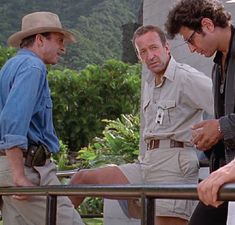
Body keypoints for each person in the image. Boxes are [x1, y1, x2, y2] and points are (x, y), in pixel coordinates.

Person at [69, 25, 213, 225]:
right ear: (139, 57)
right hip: (146, 163)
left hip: (175, 165)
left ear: (167, 47)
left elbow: (225, 107)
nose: (150, 56)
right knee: (81, 180)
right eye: (143, 52)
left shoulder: (186, 77)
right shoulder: (149, 82)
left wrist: (217, 130)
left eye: (154, 48)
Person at [0, 12, 84, 225]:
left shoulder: (10, 67)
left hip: (8, 166)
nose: (63, 48)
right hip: (26, 168)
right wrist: (19, 176)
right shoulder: (33, 67)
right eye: (58, 41)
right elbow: (13, 120)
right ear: (39, 40)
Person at [165, 0, 235, 224]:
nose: (191, 49)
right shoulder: (217, 65)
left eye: (190, 40)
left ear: (207, 24)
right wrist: (210, 138)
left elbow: (225, 124)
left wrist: (220, 127)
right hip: (222, 173)